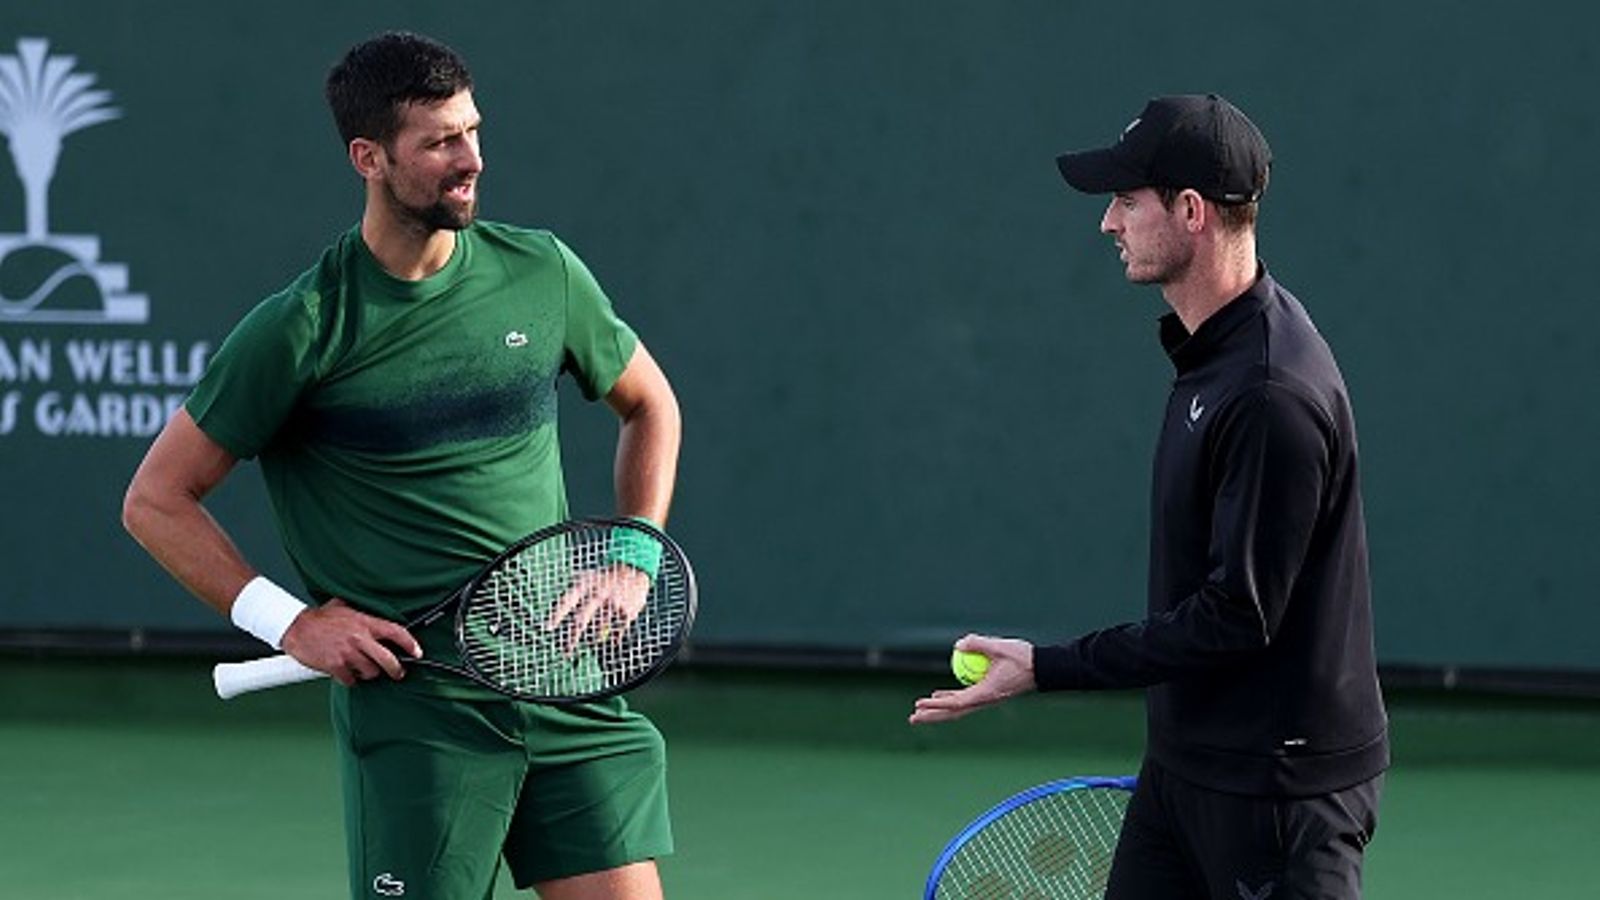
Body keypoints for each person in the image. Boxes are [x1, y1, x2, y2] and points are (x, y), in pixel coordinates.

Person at [122, 32, 682, 900]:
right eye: (440, 143)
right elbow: (156, 499)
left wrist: (636, 554)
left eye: (473, 131)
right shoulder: (302, 326)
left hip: (566, 682)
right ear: (369, 158)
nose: (471, 161)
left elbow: (651, 404)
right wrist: (292, 623)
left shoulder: (543, 271)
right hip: (422, 716)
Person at [910, 94, 1388, 899]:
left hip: (1278, 793)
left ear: (1191, 212)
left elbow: (1236, 617)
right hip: (1185, 769)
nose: (1108, 223)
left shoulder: (1270, 393)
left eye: (1127, 201)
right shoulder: (1213, 356)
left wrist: (1045, 666)